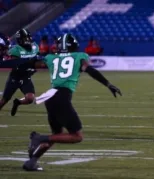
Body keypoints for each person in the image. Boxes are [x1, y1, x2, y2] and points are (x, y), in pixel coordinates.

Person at [22, 33, 122, 171]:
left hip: (50, 97)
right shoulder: (79, 56)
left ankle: (32, 162)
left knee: (57, 134)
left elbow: (32, 63)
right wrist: (108, 84)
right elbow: (90, 70)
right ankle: (39, 138)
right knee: (76, 136)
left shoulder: (51, 57)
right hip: (62, 97)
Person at [0, 29, 39, 116]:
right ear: (20, 40)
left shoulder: (35, 46)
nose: (27, 40)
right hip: (15, 78)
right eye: (25, 39)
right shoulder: (15, 50)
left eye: (28, 38)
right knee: (3, 101)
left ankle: (17, 102)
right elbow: (12, 63)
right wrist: (27, 63)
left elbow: (37, 60)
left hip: (26, 78)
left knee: (30, 98)